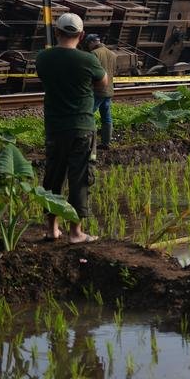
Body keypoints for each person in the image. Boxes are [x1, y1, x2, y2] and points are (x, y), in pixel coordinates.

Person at [36, 13, 107, 243]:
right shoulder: (88, 60)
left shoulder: (43, 58)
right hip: (82, 128)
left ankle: (51, 229)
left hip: (55, 128)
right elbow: (103, 82)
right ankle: (76, 233)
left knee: (53, 178)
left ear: (57, 32)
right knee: (79, 179)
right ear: (81, 35)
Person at [84, 34, 117, 150]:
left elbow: (90, 73)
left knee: (87, 115)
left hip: (97, 91)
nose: (88, 47)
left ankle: (87, 143)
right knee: (106, 117)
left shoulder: (94, 54)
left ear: (92, 42)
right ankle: (106, 142)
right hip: (109, 91)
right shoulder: (112, 54)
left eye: (88, 44)